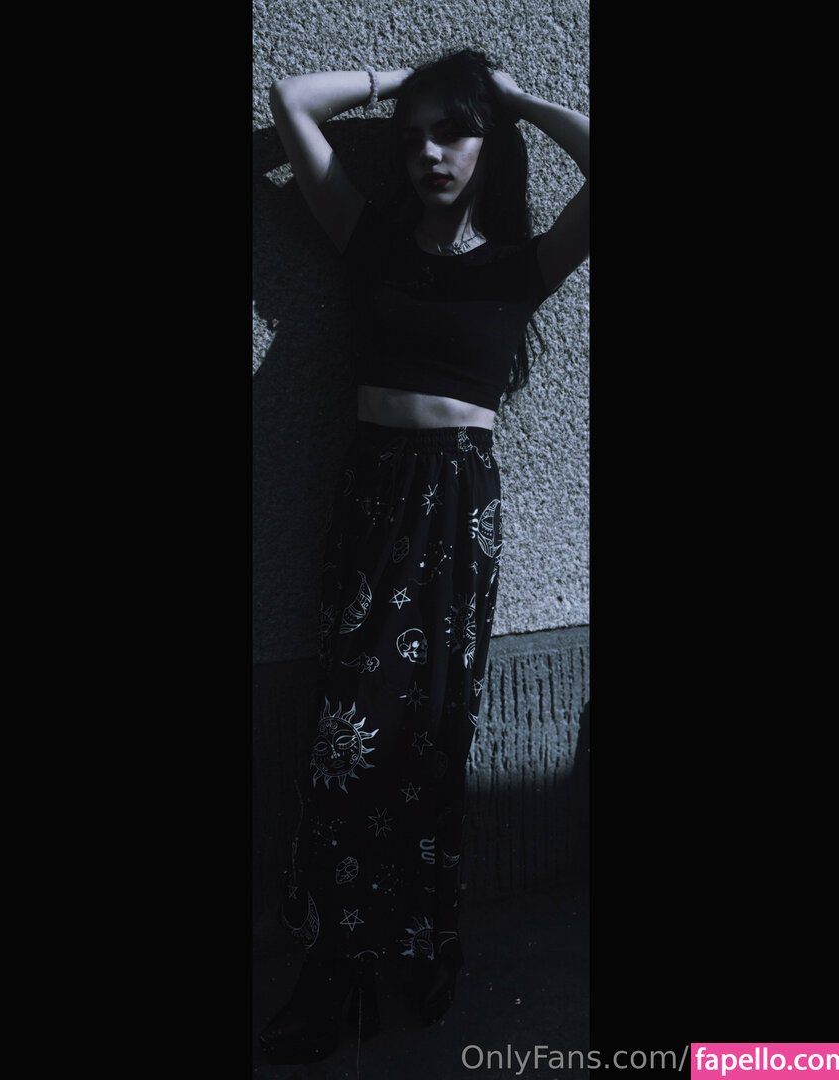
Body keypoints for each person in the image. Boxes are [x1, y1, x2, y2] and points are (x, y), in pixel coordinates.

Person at [259, 48, 589, 1064]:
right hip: (372, 500)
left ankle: (426, 943)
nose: (428, 154)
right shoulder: (369, 238)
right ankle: (335, 969)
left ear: (489, 143)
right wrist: (395, 81)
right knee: (346, 738)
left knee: (432, 739)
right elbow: (288, 101)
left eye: (452, 133)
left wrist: (514, 98)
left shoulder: (519, 266)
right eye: (413, 140)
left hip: (455, 515)